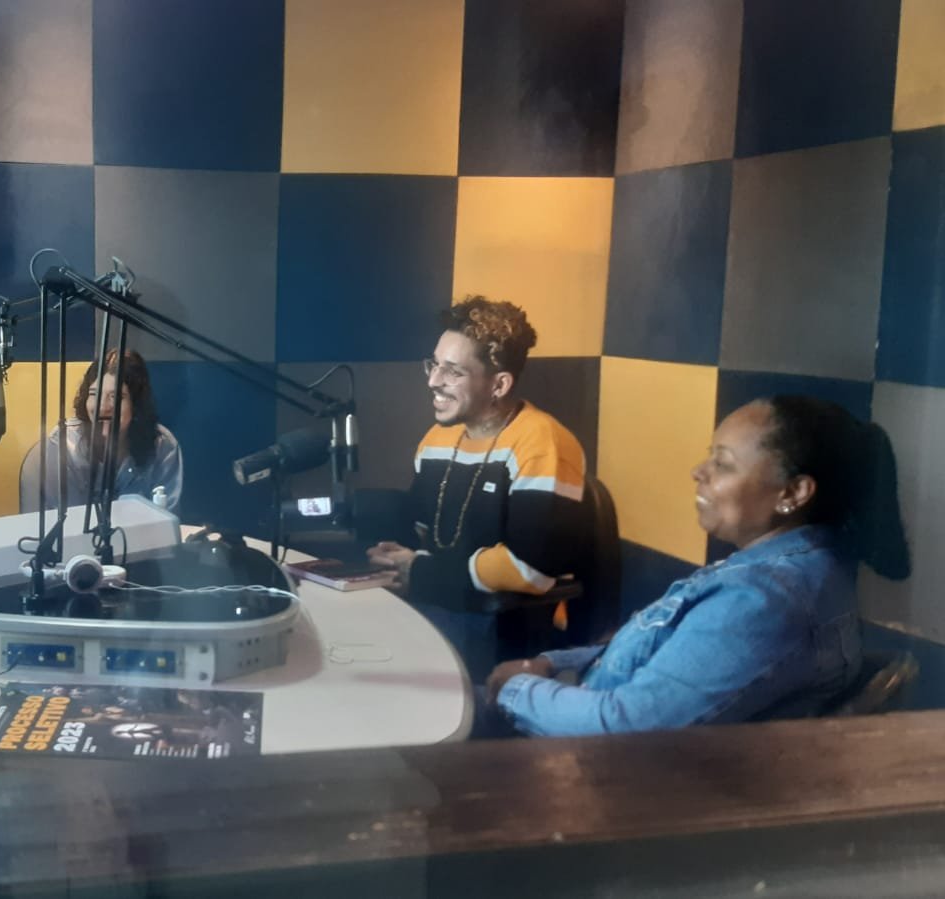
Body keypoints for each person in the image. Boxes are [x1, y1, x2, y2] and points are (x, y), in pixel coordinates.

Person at [485, 396, 911, 737]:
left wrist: (514, 689)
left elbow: (627, 729)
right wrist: (551, 662)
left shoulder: (763, 602)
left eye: (722, 463)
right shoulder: (795, 569)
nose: (697, 472)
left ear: (793, 492)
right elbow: (662, 653)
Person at [366, 296, 591, 676]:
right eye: (434, 364)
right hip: (443, 602)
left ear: (499, 384)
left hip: (498, 629)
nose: (433, 380)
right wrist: (392, 559)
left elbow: (529, 569)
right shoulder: (435, 440)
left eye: (452, 371)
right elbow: (421, 535)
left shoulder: (542, 443)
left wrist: (419, 573)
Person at [20, 348, 183, 515]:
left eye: (116, 397)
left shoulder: (163, 446)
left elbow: (166, 523)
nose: (102, 407)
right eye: (94, 394)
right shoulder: (61, 451)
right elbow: (63, 530)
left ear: (137, 404)